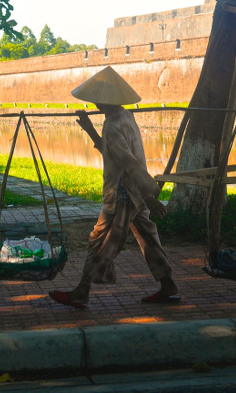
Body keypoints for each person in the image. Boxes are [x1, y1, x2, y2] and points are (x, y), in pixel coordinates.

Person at [49, 66, 179, 308]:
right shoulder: (126, 117)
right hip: (135, 191)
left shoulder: (112, 124)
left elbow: (128, 163)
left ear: (104, 101)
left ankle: (81, 291)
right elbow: (114, 153)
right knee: (148, 238)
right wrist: (90, 130)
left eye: (97, 100)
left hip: (123, 193)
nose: (95, 104)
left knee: (101, 239)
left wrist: (149, 196)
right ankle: (168, 284)